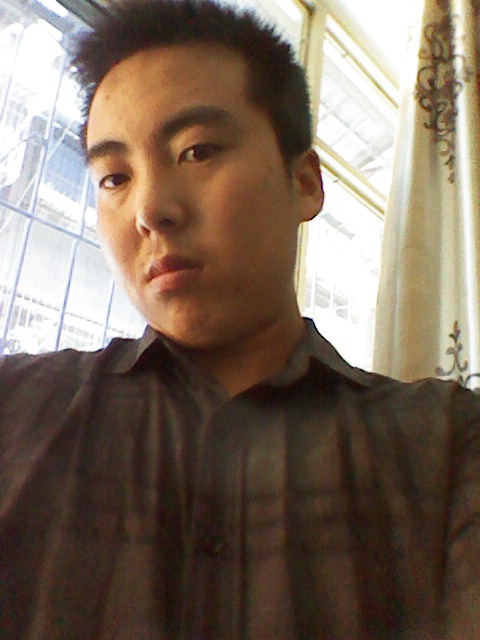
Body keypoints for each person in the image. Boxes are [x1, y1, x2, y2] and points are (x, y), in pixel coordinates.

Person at [0, 0, 479, 638]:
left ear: (305, 183)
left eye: (196, 151)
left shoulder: (446, 448)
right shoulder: (15, 412)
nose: (150, 209)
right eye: (114, 177)